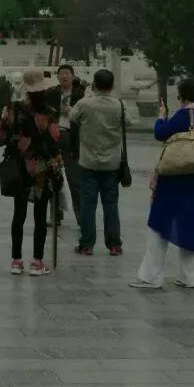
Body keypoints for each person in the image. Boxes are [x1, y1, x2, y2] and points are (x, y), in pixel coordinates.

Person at [132, 76, 194, 289]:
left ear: (183, 97)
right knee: (190, 223)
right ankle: (189, 277)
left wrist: (161, 117)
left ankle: (152, 276)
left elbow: (161, 134)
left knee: (159, 224)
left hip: (173, 178)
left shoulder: (183, 115)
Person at [0, 67, 64, 275]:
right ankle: (37, 261)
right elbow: (54, 141)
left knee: (19, 215)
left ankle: (16, 261)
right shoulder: (50, 113)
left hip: (19, 168)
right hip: (41, 170)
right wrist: (57, 167)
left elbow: (0, 136)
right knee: (40, 215)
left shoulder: (13, 109)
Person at [69, 69, 126, 257]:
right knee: (111, 204)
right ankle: (114, 245)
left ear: (94, 84)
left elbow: (71, 118)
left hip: (88, 162)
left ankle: (86, 244)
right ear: (112, 86)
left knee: (88, 204)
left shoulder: (84, 104)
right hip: (112, 163)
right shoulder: (119, 105)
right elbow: (129, 123)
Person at [55, 63, 86, 223]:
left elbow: (87, 116)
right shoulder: (52, 93)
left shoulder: (81, 94)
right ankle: (56, 214)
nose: (64, 76)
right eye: (61, 73)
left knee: (74, 178)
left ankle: (81, 216)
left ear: (73, 76)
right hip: (54, 136)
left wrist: (72, 110)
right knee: (53, 177)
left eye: (67, 73)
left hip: (72, 137)